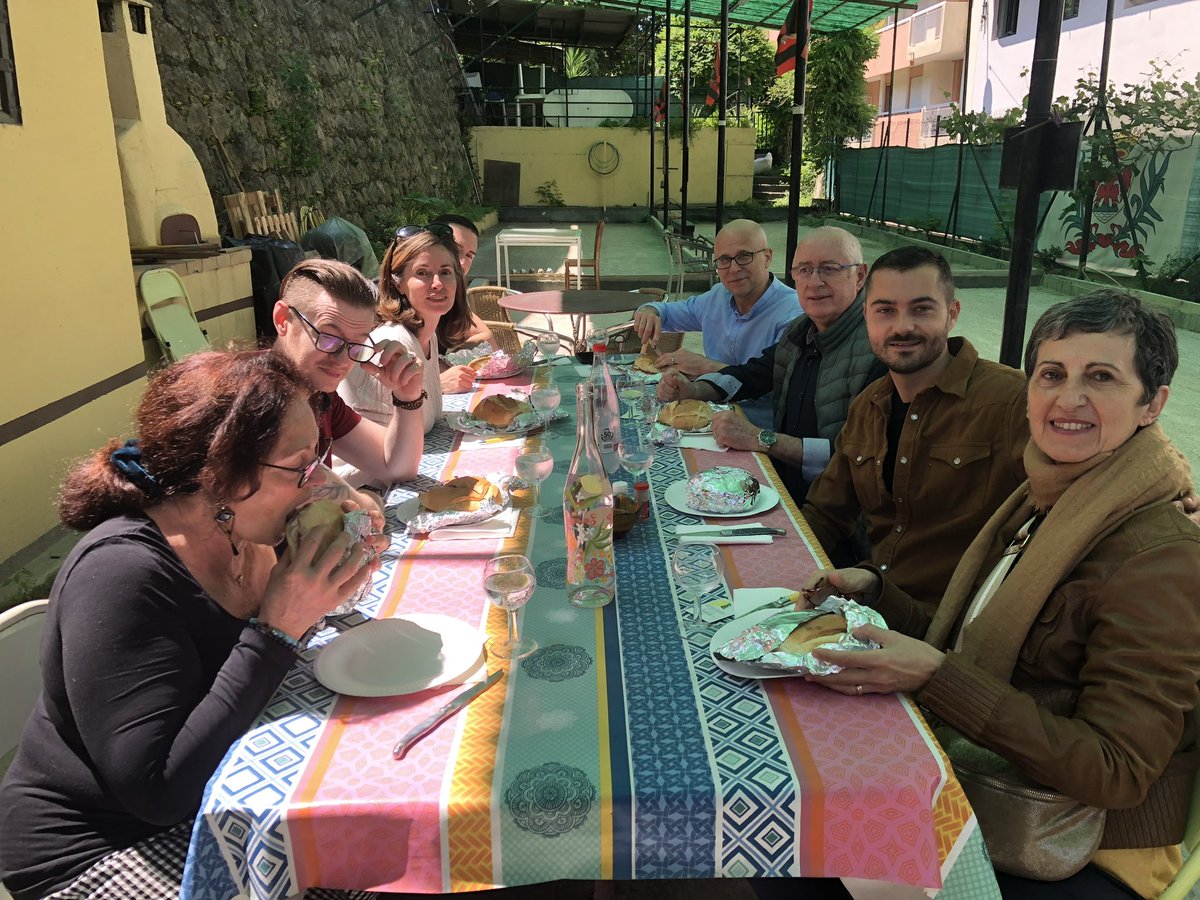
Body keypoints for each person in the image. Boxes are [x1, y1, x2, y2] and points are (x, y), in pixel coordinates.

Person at [806, 290, 1200, 899]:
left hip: (1086, 847)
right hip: (999, 786)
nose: (1069, 399)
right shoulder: (1045, 495)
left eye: (1102, 377)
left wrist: (936, 678)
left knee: (805, 861)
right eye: (1052, 374)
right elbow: (983, 636)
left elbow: (1117, 771)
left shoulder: (1158, 556)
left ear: (1153, 404)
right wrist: (879, 592)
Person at [0, 351, 386, 900]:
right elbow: (157, 792)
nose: (319, 481)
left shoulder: (254, 531)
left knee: (378, 854)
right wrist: (277, 631)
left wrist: (355, 532)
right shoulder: (121, 573)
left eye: (318, 456)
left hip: (224, 789)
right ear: (220, 472)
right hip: (100, 848)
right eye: (300, 465)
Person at [798, 246, 1029, 611]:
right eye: (885, 310)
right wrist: (778, 574)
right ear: (867, 317)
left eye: (921, 309)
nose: (902, 326)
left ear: (952, 314)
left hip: (954, 631)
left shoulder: (1012, 402)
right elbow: (826, 513)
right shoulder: (868, 405)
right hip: (873, 606)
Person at [657, 226, 885, 502]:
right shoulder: (801, 331)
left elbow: (853, 457)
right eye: (804, 270)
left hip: (839, 513)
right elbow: (751, 375)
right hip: (787, 489)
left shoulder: (878, 351)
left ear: (860, 275)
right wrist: (693, 390)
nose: (814, 282)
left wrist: (761, 438)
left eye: (829, 269)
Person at [271, 258, 426, 501]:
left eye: (357, 344)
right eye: (329, 338)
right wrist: (364, 499)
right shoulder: (250, 406)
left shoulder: (320, 396)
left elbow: (397, 467)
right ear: (283, 319)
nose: (343, 359)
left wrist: (407, 397)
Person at [632, 219, 799, 428]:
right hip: (709, 420)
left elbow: (780, 386)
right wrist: (650, 310)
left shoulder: (793, 313)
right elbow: (667, 312)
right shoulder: (717, 296)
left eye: (744, 256)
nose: (734, 268)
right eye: (724, 260)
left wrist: (708, 367)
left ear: (767, 257)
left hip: (759, 432)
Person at [338, 225, 471, 481]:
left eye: (446, 272)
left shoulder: (426, 336)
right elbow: (391, 457)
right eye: (423, 273)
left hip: (402, 475)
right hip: (369, 489)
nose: (437, 283)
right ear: (398, 284)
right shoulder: (394, 344)